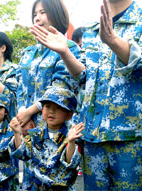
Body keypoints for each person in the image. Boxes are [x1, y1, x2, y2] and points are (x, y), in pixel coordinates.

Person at [30, 0, 142, 191]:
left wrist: (114, 41)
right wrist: (66, 51)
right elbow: (84, 76)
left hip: (131, 138)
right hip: (94, 137)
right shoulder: (92, 28)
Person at [10, 87, 84, 191]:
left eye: (58, 108)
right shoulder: (35, 135)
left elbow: (70, 163)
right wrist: (17, 133)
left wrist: (70, 142)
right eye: (47, 106)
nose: (51, 111)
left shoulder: (72, 134)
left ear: (68, 115)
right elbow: (22, 153)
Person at [15, 0, 81, 128]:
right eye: (35, 14)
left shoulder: (69, 48)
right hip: (25, 127)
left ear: (56, 14)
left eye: (42, 12)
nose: (37, 18)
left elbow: (60, 87)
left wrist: (29, 112)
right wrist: (22, 114)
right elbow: (20, 87)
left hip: (53, 128)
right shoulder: (28, 53)